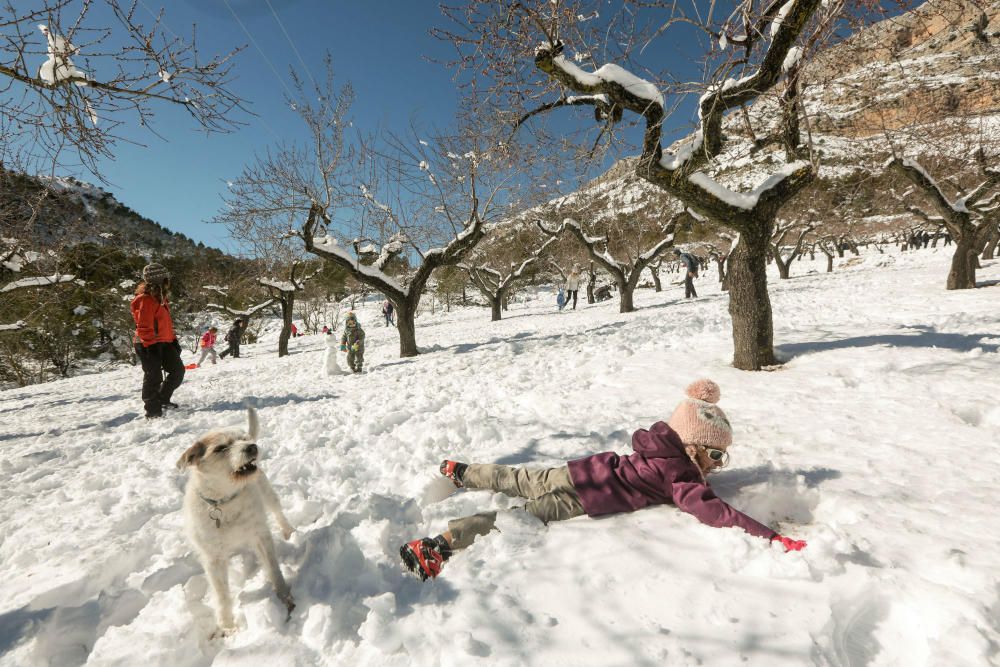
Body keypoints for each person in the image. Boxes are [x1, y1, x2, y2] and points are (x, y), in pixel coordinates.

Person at [399, 379, 807, 581]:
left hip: (580, 471)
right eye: (716, 454)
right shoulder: (680, 473)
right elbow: (713, 511)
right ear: (695, 445)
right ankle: (438, 547)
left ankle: (463, 472)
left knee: (518, 479)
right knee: (518, 517)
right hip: (587, 500)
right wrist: (768, 535)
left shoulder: (658, 446)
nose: (718, 464)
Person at [131, 263, 185, 419]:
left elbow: (165, 324)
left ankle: (162, 399)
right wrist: (151, 347)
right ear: (160, 280)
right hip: (147, 344)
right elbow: (143, 326)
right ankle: (152, 411)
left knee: (177, 371)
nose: (168, 281)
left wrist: (173, 340)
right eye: (166, 278)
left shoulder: (160, 298)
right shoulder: (145, 300)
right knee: (153, 376)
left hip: (164, 341)